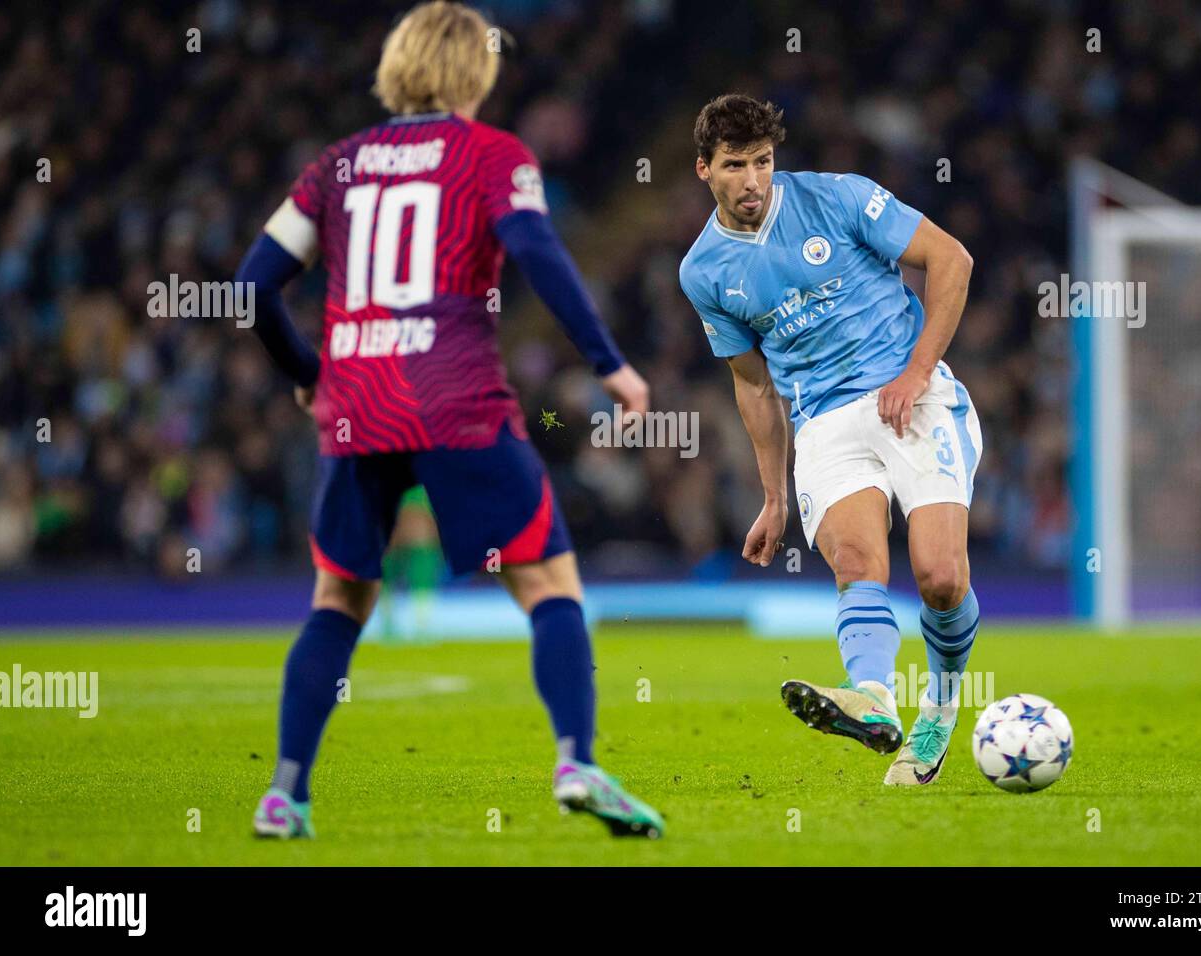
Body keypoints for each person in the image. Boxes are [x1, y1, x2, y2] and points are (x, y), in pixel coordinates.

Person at [235, 1, 663, 838]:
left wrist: (307, 375)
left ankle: (285, 793)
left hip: (357, 405)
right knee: (549, 585)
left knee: (338, 598)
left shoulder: (336, 166)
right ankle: (576, 761)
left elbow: (250, 287)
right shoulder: (492, 155)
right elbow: (537, 250)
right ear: (478, 70)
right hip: (455, 399)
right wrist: (609, 361)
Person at [679, 94, 982, 786]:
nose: (753, 180)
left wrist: (916, 371)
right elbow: (753, 386)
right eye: (735, 166)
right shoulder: (702, 272)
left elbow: (952, 260)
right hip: (824, 421)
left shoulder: (838, 198)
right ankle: (874, 700)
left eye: (762, 161)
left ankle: (938, 704)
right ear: (704, 170)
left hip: (915, 397)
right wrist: (772, 497)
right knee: (855, 558)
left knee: (940, 578)